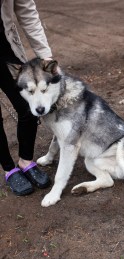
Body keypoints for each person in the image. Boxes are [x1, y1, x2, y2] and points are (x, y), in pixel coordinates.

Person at [0, 0, 53, 195]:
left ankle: (25, 160)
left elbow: (26, 10)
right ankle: (8, 168)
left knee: (29, 106)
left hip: (5, 49)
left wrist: (45, 56)